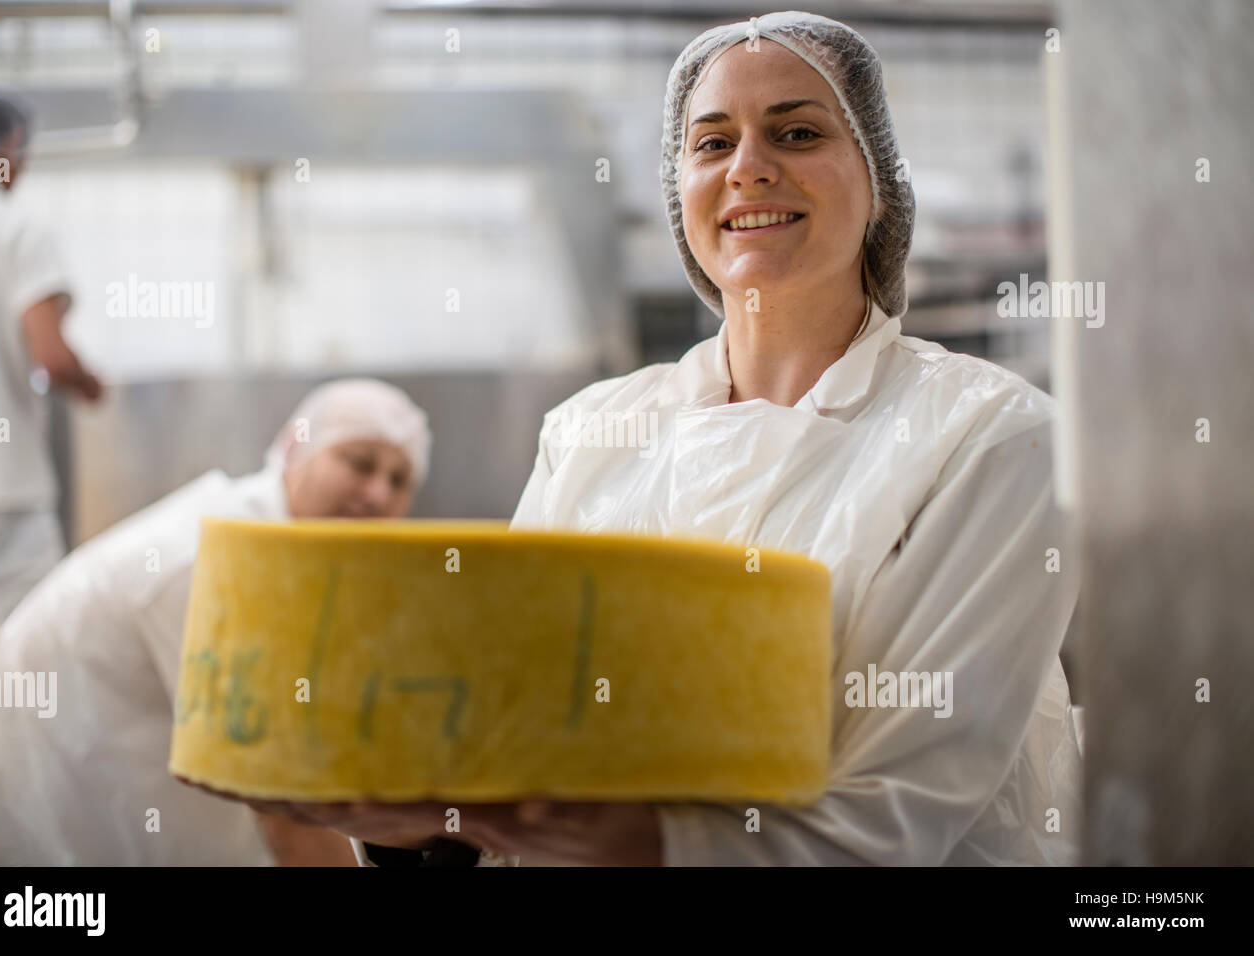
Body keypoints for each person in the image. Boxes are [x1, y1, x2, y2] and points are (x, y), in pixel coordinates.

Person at [226, 11, 1081, 867]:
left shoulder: (987, 438)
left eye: (797, 131)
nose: (749, 168)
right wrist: (415, 829)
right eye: (712, 145)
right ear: (680, 195)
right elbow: (508, 744)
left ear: (880, 182)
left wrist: (638, 840)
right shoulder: (592, 431)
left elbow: (892, 824)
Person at [0, 379, 431, 865]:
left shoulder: (297, 566)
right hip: (23, 833)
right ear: (294, 448)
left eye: (400, 480)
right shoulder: (222, 559)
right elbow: (281, 800)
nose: (377, 494)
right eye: (359, 463)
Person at [0, 85, 103, 667]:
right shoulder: (15, 229)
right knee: (16, 671)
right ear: (11, 149)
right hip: (1, 487)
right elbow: (53, 357)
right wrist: (93, 386)